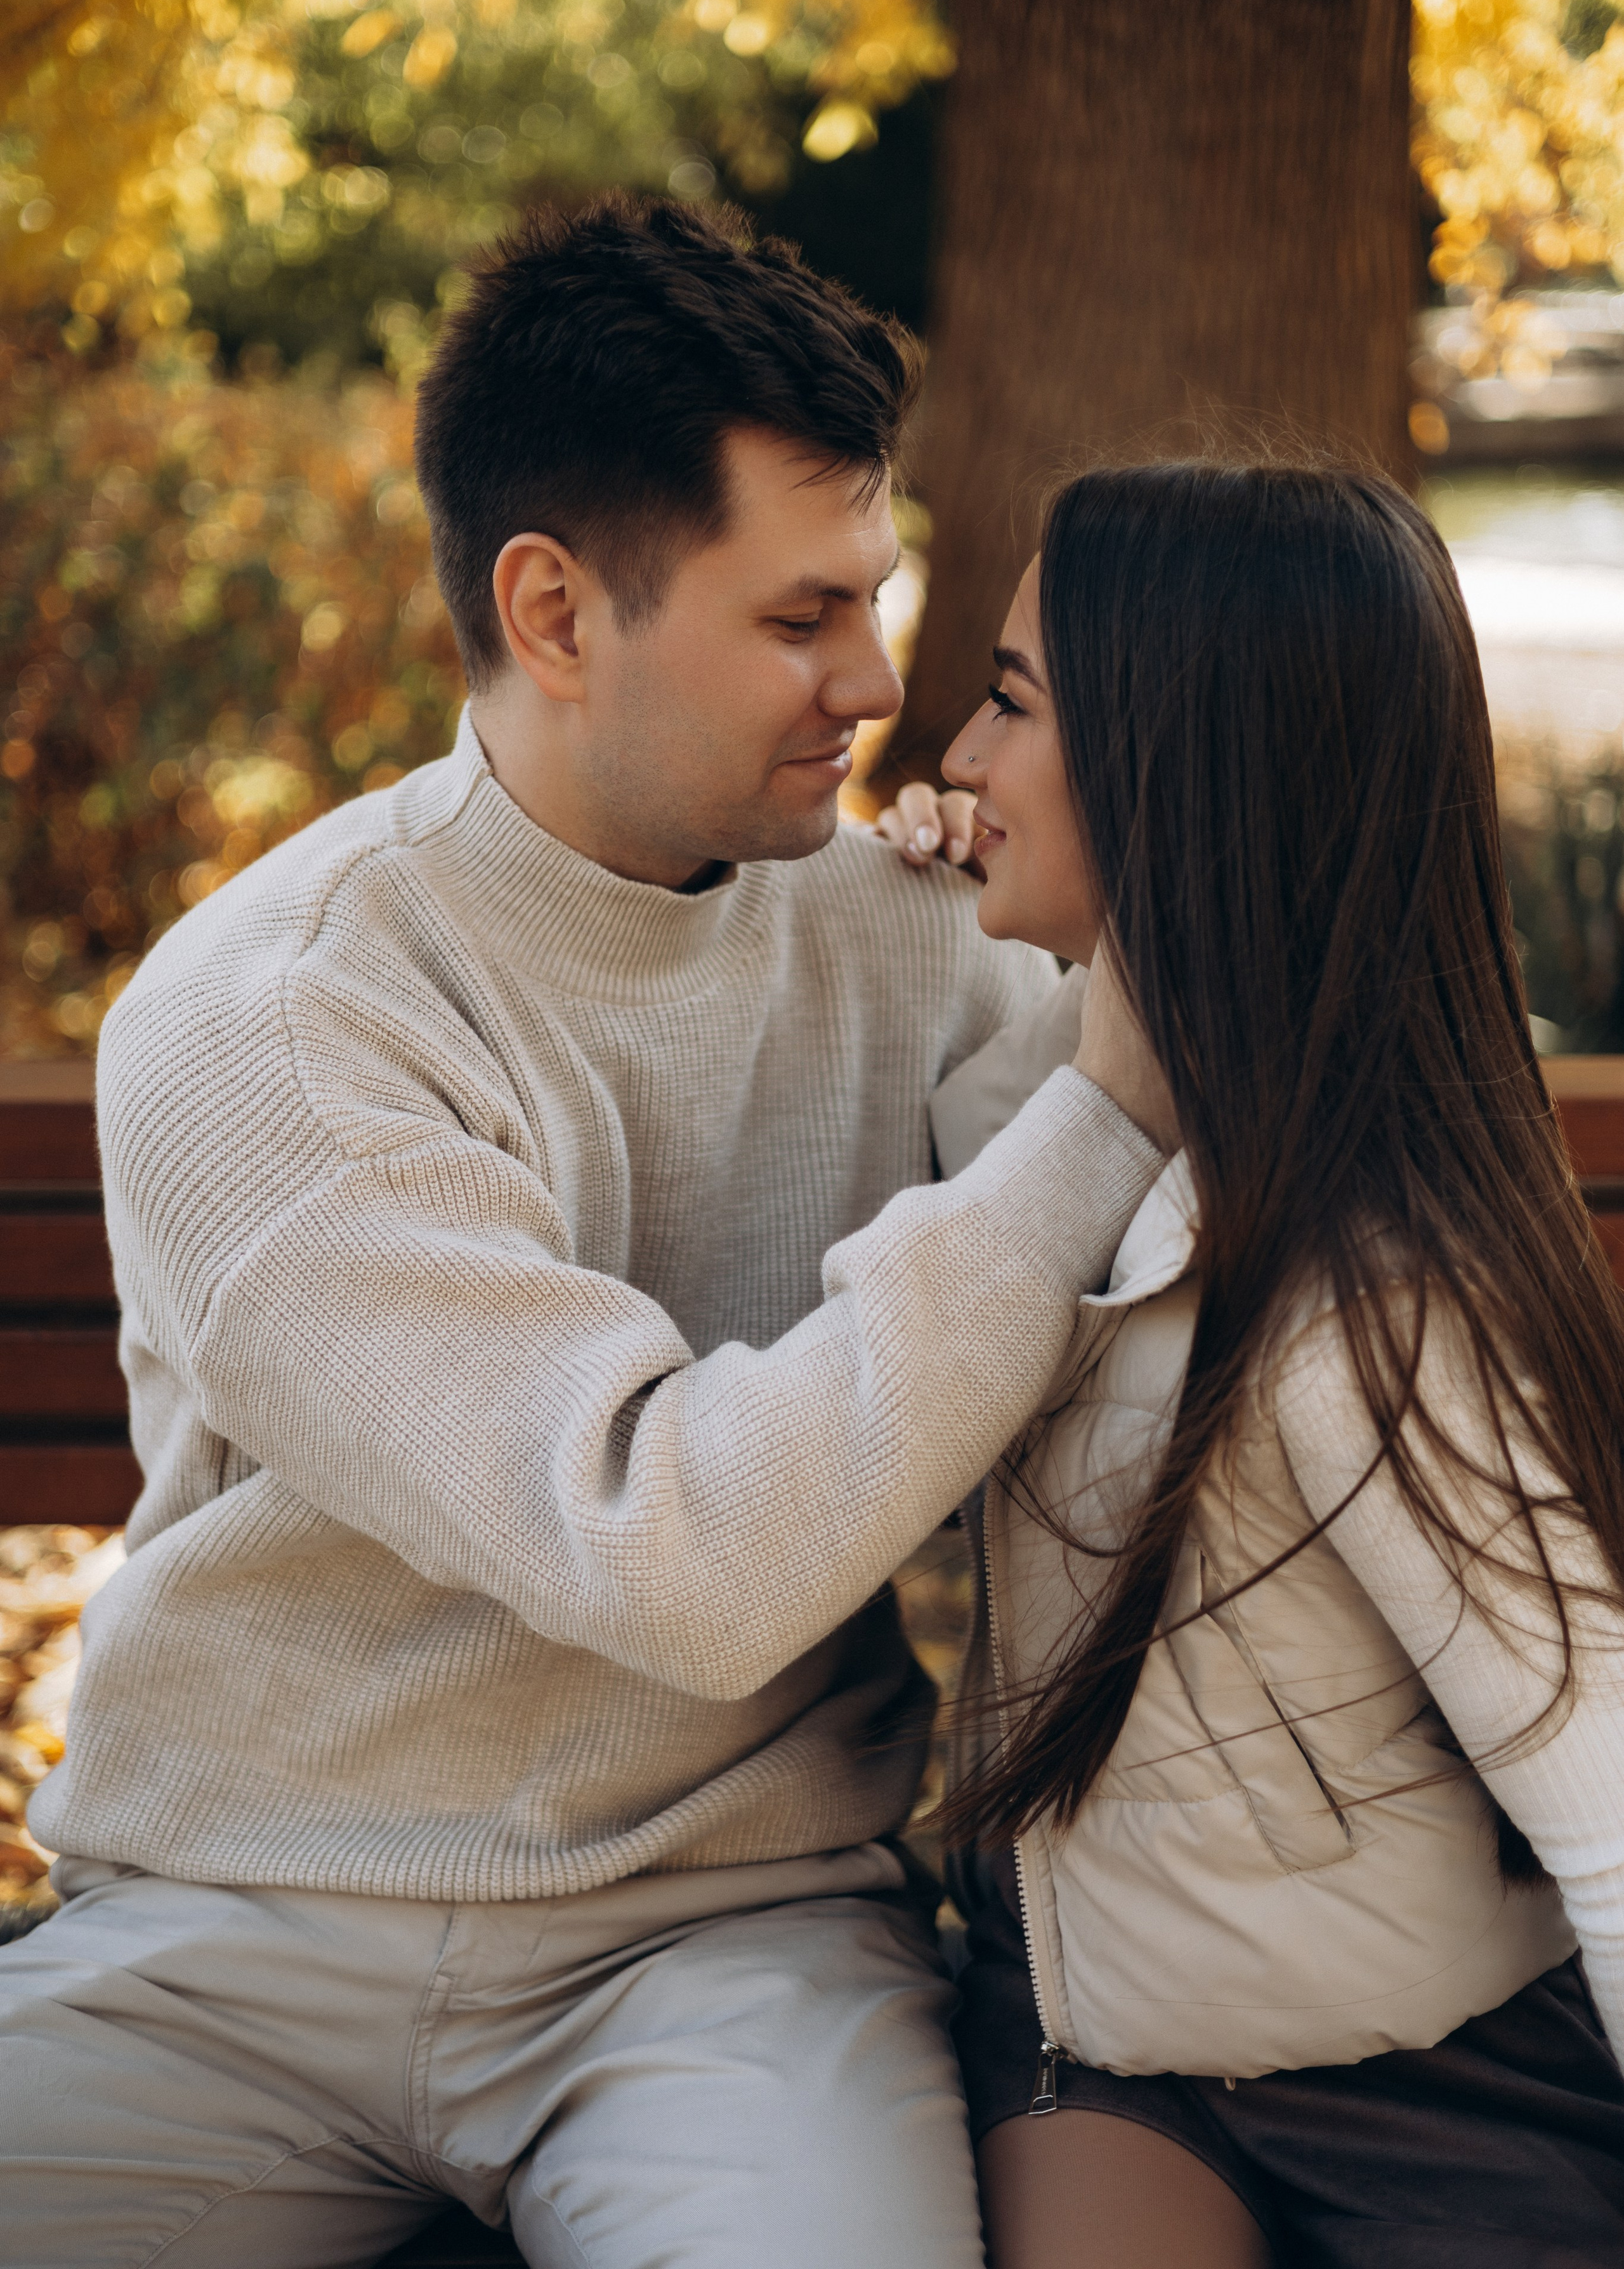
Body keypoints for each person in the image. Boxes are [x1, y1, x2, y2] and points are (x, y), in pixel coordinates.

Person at [0, 200, 1172, 2266]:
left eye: (877, 601)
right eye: (803, 618)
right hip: (237, 1941)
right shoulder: (273, 1016)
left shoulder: (909, 938)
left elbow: (1166, 1250)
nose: (878, 680)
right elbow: (676, 1554)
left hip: (724, 1949)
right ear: (555, 613)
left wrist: (1093, 973)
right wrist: (1103, 1107)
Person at [927, 460, 1624, 2268]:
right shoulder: (1031, 1133)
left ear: (1181, 773)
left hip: (1445, 2084)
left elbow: (1611, 1817)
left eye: (1011, 703)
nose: (960, 760)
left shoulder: (1378, 1305)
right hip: (1100, 2062)